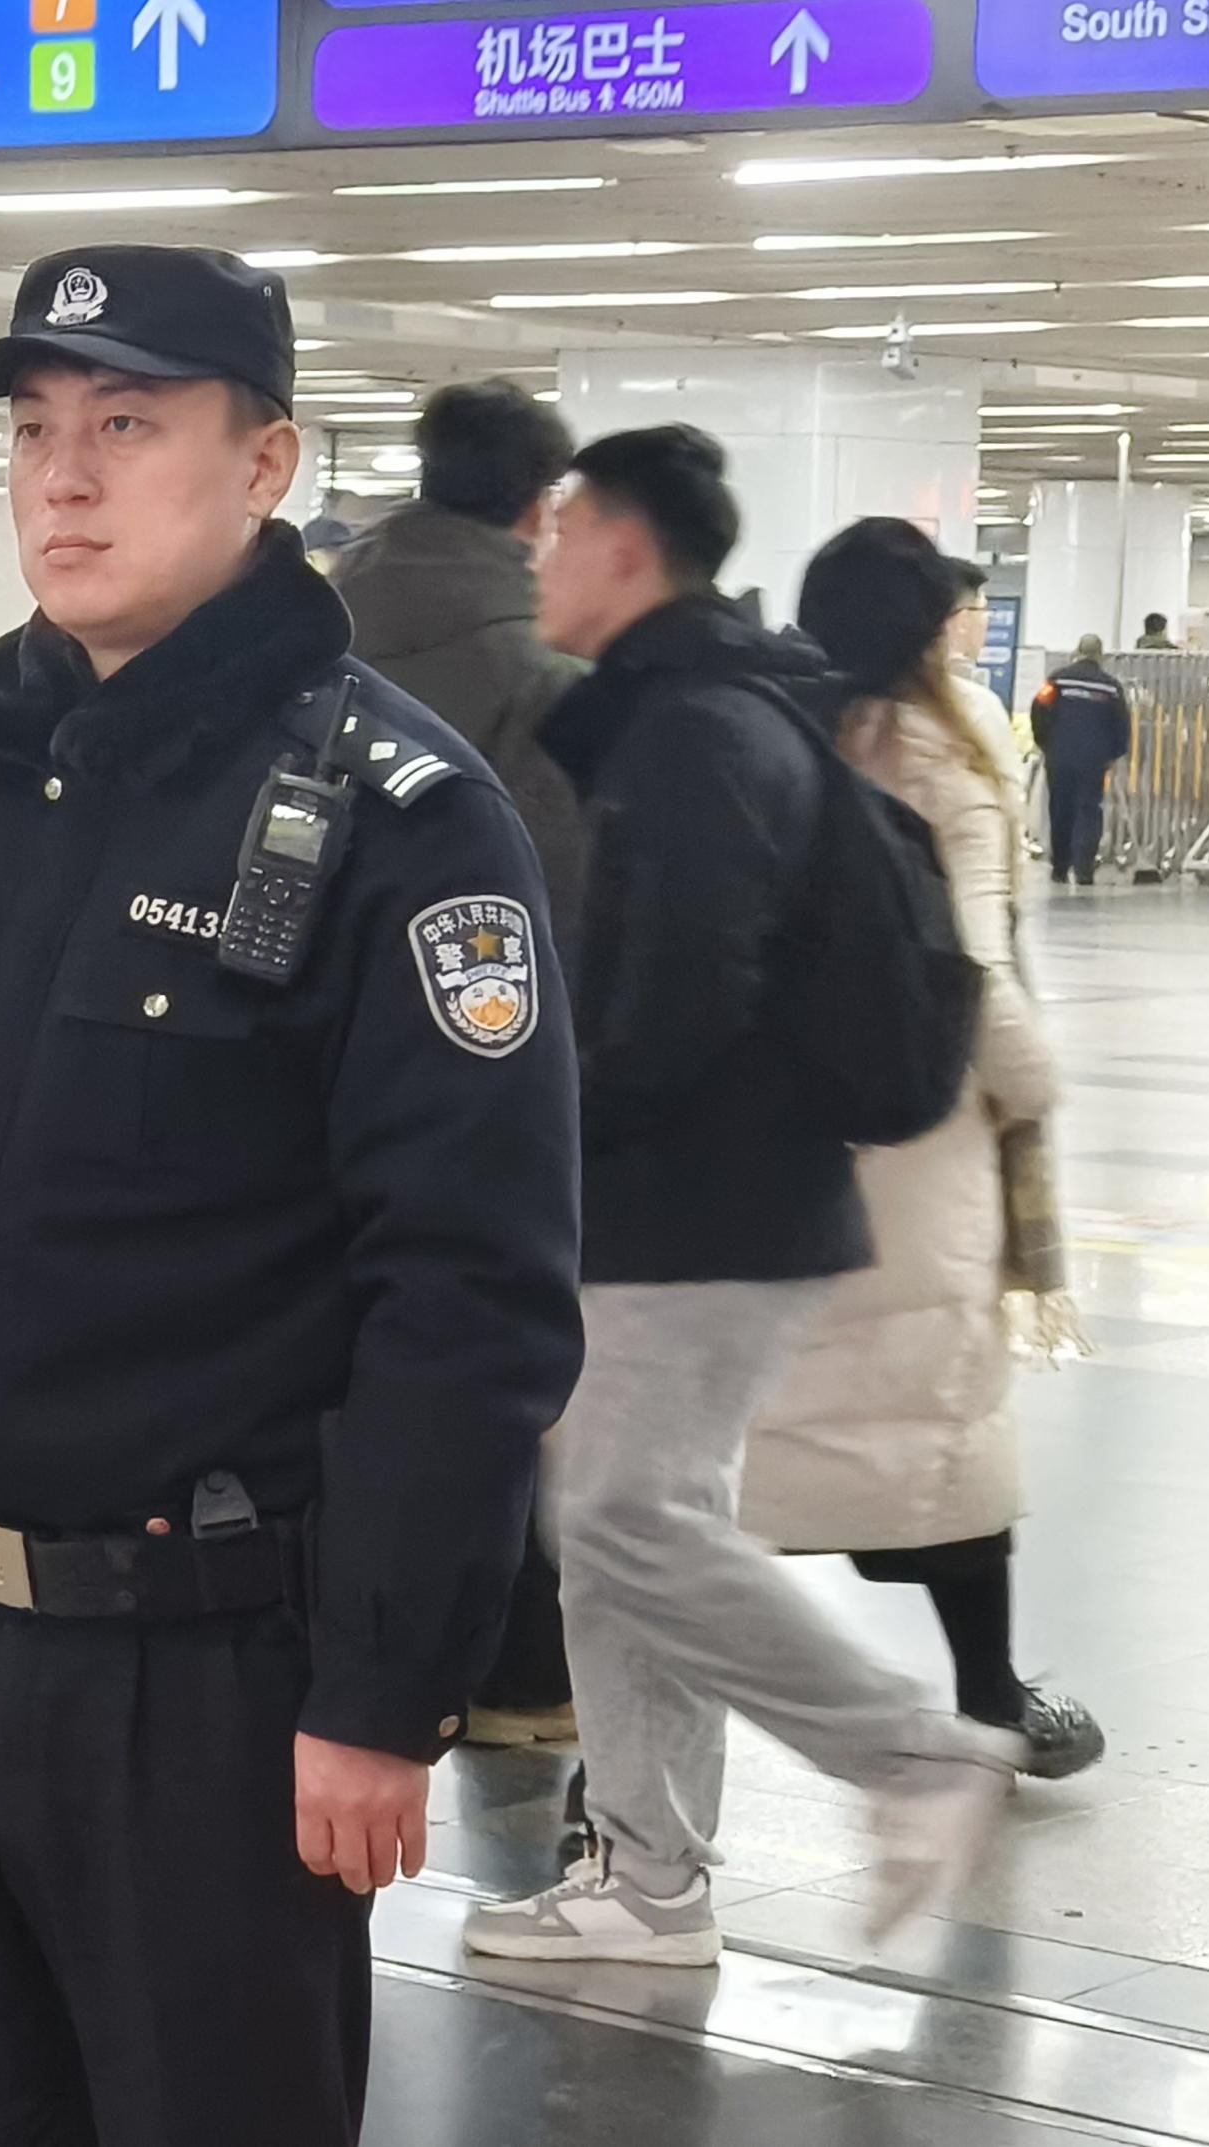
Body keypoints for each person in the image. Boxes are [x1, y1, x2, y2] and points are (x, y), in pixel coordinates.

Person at [0, 245, 584, 2146]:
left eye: (126, 424)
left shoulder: (397, 818)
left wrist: (382, 1688)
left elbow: (467, 1295)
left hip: (213, 1674)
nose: (63, 477)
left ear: (265, 461)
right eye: (35, 430)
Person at [466, 428, 1018, 1971]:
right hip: (713, 1199)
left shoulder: (697, 728)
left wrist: (544, 1127)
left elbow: (677, 998)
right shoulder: (707, 706)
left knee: (623, 1516)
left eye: (563, 528)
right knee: (625, 1529)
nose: (540, 556)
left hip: (701, 1202)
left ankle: (914, 1753)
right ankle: (648, 1878)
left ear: (624, 545)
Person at [739, 519, 1102, 1782]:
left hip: (788, 1126)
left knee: (744, 1453)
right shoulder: (945, 761)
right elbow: (974, 966)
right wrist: (1034, 1083)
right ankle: (992, 1699)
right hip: (922, 1130)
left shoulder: (767, 733)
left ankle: (630, 1755)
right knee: (935, 1427)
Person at [325, 377, 589, 1753]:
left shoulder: (309, 633)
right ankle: (515, 1674)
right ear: (540, 508)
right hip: (470, 1069)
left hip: (279, 1076)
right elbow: (560, 926)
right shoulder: (547, 678)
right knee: (487, 1375)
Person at [1031, 636, 1132, 887]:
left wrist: (1045, 742)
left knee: (1060, 809)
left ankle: (1060, 867)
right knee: (1089, 810)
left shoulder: (1057, 681)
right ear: (1101, 655)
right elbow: (1122, 723)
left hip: (1060, 756)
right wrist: (1113, 753)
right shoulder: (1111, 688)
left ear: (1077, 651)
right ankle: (1084, 869)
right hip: (1093, 760)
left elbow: (1038, 709)